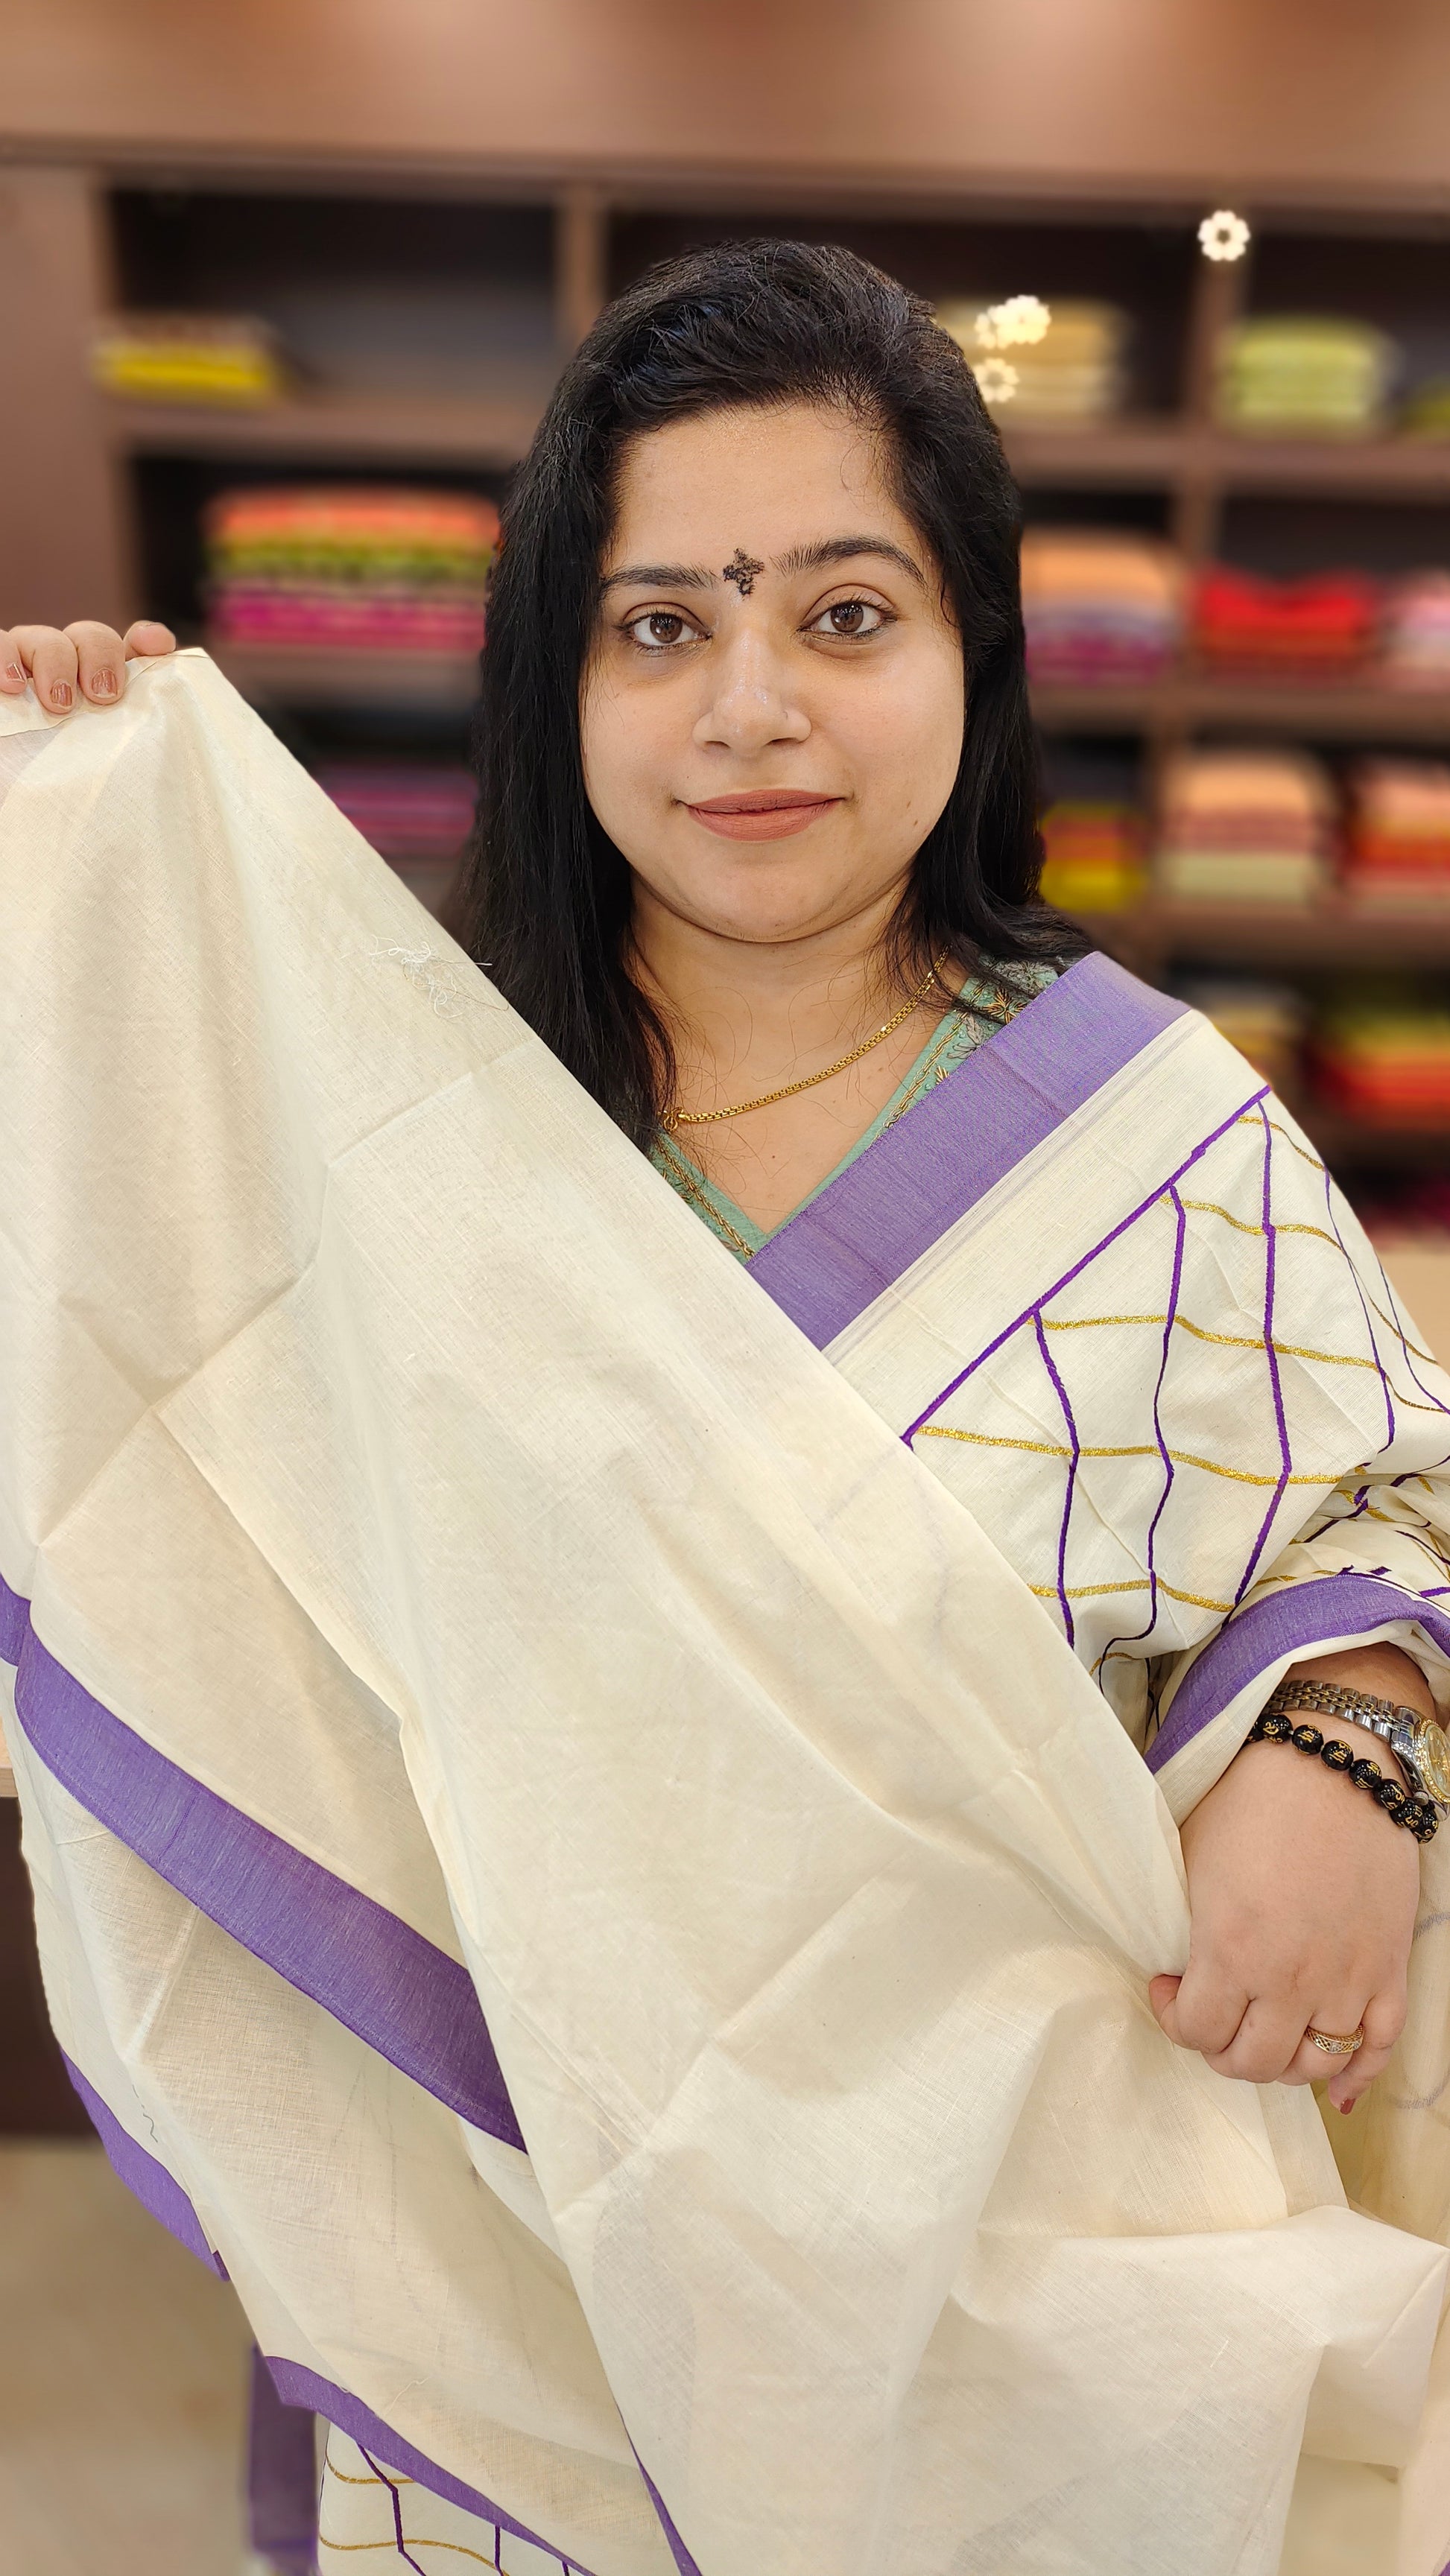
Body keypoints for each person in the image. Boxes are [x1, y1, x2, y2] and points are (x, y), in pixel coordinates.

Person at [2, 241, 1449, 2575]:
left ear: (972, 649)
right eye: (658, 624)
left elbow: (1387, 1488)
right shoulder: (390, 1134)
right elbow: (118, 1410)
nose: (750, 708)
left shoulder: (1164, 1139)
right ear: (554, 678)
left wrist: (1354, 1728)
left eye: (845, 615)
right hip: (518, 2256)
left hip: (1023, 2292)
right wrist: (60, 855)